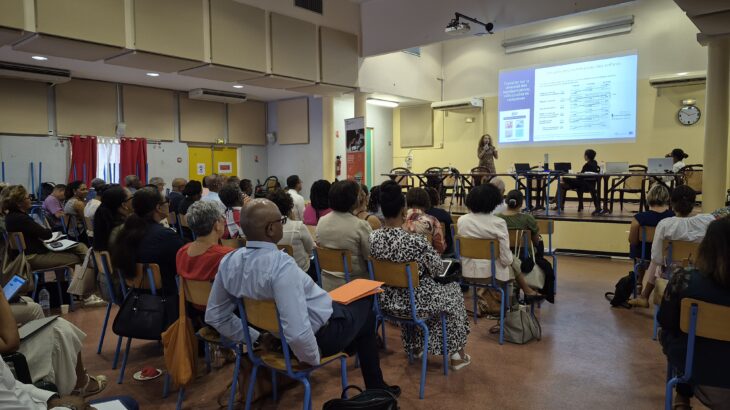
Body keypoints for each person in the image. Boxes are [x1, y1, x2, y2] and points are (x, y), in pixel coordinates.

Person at [205, 199, 400, 396]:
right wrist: (312, 358)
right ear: (271, 229)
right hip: (319, 335)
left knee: (352, 315)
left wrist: (256, 338)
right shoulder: (281, 266)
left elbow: (215, 315)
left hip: (279, 335)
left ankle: (364, 364)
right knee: (367, 310)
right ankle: (376, 387)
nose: (282, 224)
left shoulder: (229, 261)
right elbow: (297, 333)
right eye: (281, 221)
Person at [370, 181, 471, 369]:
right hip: (415, 304)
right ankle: (457, 355)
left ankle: (415, 347)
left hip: (385, 303)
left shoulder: (372, 238)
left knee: (414, 291)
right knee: (453, 292)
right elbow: (437, 269)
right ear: (403, 211)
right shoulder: (416, 241)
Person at [658, 218, 730, 409]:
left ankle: (682, 395)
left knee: (674, 334)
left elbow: (665, 321)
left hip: (697, 371)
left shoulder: (685, 279)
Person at [0, 289, 107, 398]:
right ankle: (77, 386)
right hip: (7, 363)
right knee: (59, 329)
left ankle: (79, 382)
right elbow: (11, 344)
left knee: (52, 323)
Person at [629, 186, 715, 308]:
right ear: (694, 203)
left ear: (672, 203)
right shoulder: (707, 220)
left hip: (671, 271)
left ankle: (644, 296)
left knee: (656, 261)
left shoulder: (665, 224)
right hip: (699, 270)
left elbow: (657, 257)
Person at [459, 185, 542, 300]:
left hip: (466, 272)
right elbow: (506, 259)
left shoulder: (462, 220)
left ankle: (521, 293)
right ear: (494, 203)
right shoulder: (498, 223)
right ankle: (517, 298)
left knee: (511, 262)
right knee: (511, 262)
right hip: (492, 274)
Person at [112, 188, 183, 292]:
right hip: (164, 295)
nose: (169, 204)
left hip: (131, 293)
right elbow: (182, 264)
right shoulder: (165, 236)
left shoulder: (125, 231)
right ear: (158, 207)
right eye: (167, 201)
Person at [2, 185, 88, 270]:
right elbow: (46, 235)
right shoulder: (21, 218)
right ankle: (91, 275)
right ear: (19, 203)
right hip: (32, 257)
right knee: (77, 257)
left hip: (26, 255)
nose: (30, 200)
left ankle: (68, 279)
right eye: (28, 198)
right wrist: (45, 228)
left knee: (79, 248)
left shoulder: (10, 217)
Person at [316, 180, 372, 290]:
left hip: (326, 284)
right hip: (355, 285)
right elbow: (370, 256)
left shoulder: (322, 221)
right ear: (354, 199)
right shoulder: (360, 225)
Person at [627, 185, 674, 289]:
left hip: (644, 256)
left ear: (649, 198)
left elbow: (632, 241)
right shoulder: (673, 217)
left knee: (635, 246)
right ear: (667, 198)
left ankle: (639, 282)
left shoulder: (639, 218)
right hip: (666, 256)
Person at [176, 201, 233, 285]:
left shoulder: (181, 252)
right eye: (223, 217)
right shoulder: (227, 256)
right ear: (217, 224)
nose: (224, 220)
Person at [92, 186, 133, 302]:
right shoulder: (123, 230)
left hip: (108, 285)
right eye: (132, 198)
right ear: (124, 205)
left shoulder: (105, 223)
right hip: (125, 287)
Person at [266, 189, 315, 274]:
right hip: (301, 271)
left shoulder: (264, 229)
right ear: (289, 207)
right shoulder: (298, 227)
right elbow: (312, 250)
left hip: (275, 272)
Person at [556, 148, 602, 215]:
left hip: (583, 184)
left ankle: (558, 203)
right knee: (562, 184)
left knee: (563, 180)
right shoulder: (595, 164)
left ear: (586, 156)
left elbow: (580, 176)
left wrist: (578, 174)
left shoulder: (587, 165)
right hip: (590, 185)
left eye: (584, 155)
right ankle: (557, 202)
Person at [403, 188, 446, 254]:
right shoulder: (433, 221)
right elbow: (440, 248)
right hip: (427, 258)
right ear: (426, 202)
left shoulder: (401, 221)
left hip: (403, 259)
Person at [424, 187, 453, 255]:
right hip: (444, 252)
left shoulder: (416, 216)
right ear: (436, 199)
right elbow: (450, 234)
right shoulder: (443, 214)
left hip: (422, 252)